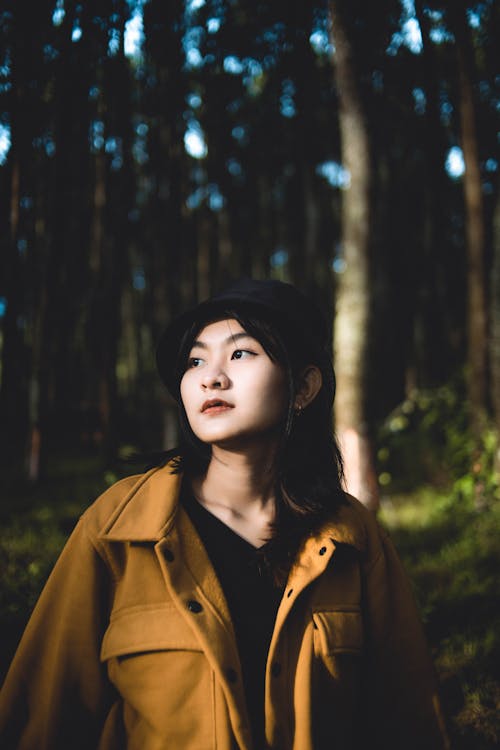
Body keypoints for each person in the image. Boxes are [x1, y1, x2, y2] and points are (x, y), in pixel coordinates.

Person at [0, 278, 448, 749]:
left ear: (304, 387)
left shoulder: (350, 537)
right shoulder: (119, 524)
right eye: (195, 361)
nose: (211, 377)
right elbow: (42, 712)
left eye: (240, 354)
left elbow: (408, 715)